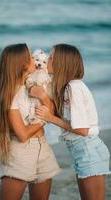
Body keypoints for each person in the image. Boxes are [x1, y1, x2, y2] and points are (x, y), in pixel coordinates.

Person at [34, 44, 111, 200]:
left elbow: (82, 129)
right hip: (82, 151)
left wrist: (50, 118)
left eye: (50, 58)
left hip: (89, 150)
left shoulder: (73, 87)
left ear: (61, 62)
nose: (46, 61)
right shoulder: (66, 87)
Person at [0, 43, 61, 200]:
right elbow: (22, 135)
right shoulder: (10, 95)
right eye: (30, 57)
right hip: (19, 152)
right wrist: (45, 119)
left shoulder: (33, 85)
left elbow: (51, 108)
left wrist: (42, 97)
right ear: (21, 64)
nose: (35, 60)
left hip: (43, 146)